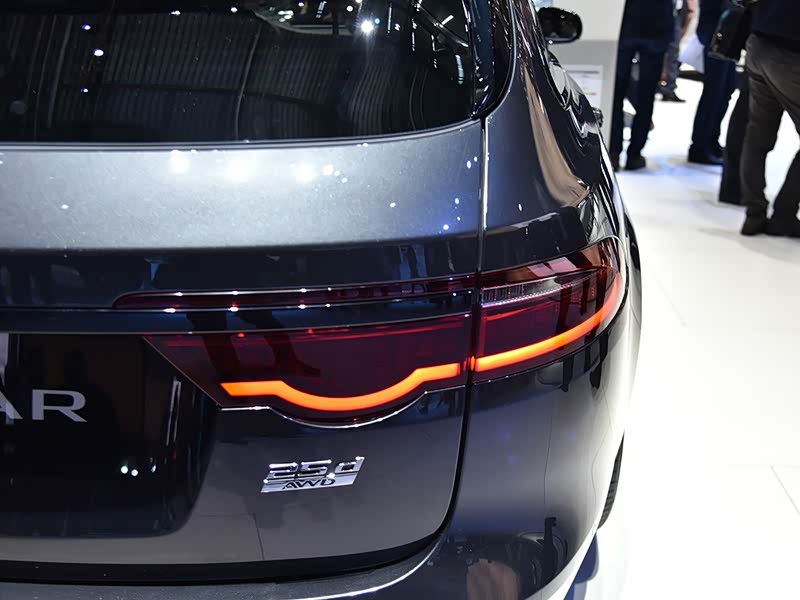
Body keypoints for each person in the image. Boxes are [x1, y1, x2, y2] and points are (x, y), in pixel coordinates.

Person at [740, 0, 800, 237]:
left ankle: (753, 214)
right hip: (791, 52)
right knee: (757, 134)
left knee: (757, 134)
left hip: (759, 42)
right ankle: (784, 215)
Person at [610, 0, 676, 171]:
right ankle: (634, 154)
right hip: (657, 24)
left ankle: (614, 152)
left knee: (616, 92)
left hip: (625, 22)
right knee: (646, 95)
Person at [688, 0, 738, 165]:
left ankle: (710, 141)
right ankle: (699, 146)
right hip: (717, 30)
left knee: (726, 88)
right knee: (714, 91)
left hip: (727, 29)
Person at [660, 0, 697, 103]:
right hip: (665, 9)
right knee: (670, 50)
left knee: (673, 50)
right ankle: (667, 87)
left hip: (677, 10)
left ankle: (668, 86)